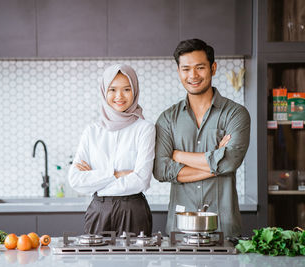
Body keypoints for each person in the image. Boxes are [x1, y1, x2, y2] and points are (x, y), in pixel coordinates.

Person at [153, 39, 250, 237]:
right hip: (179, 228)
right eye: (186, 69)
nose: (193, 75)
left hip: (223, 226)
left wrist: (177, 155)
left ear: (213, 68)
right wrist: (216, 162)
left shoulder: (235, 114)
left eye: (200, 67)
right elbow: (161, 170)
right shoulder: (167, 119)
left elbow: (230, 162)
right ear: (179, 71)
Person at [68, 64, 155, 236]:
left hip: (133, 210)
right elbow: (76, 180)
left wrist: (96, 178)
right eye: (112, 89)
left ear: (135, 91)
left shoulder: (145, 128)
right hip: (99, 210)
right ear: (104, 91)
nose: (119, 96)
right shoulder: (92, 131)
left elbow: (141, 180)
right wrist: (115, 174)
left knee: (134, 262)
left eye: (126, 89)